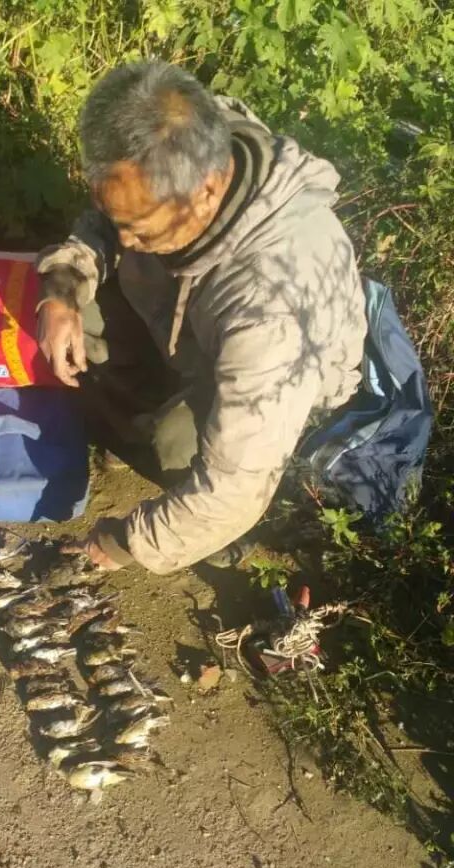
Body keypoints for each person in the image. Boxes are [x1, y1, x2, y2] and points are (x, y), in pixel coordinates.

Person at [36, 60, 367, 573]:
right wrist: (61, 293)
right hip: (188, 328)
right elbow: (106, 225)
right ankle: (133, 419)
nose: (125, 240)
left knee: (177, 446)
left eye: (140, 227)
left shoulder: (272, 308)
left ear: (207, 190)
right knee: (85, 312)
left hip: (272, 394)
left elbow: (234, 486)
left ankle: (228, 538)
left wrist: (127, 542)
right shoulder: (179, 150)